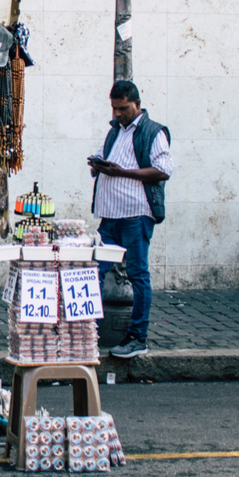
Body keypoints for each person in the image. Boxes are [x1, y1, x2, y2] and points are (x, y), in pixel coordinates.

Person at [87, 80, 172, 359]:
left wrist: (122, 172)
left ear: (136, 103)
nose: (117, 113)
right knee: (95, 271)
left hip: (136, 215)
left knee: (138, 274)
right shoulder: (115, 131)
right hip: (110, 216)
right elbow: (106, 158)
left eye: (122, 108)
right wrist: (98, 164)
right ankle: (90, 332)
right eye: (114, 108)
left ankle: (138, 337)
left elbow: (162, 170)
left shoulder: (153, 131)